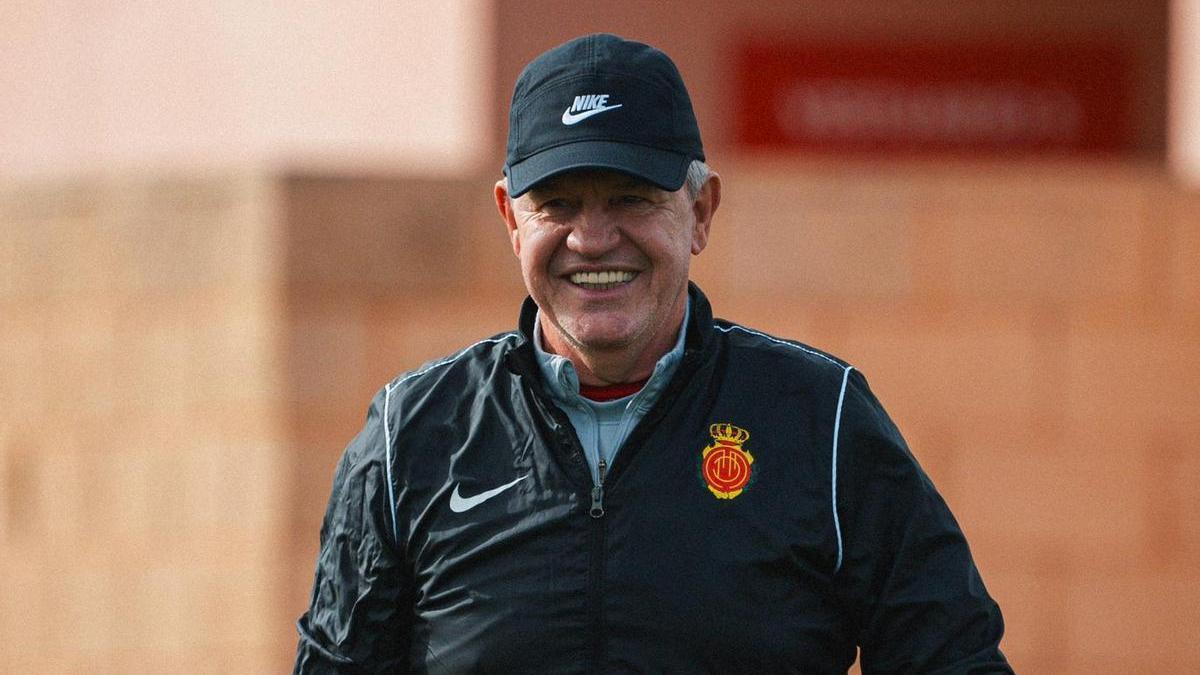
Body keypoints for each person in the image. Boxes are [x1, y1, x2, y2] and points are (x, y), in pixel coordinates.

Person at [294, 33, 1011, 673]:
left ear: (700, 212)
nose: (592, 238)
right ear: (511, 217)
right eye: (559, 203)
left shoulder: (822, 423)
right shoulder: (409, 438)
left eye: (632, 198)